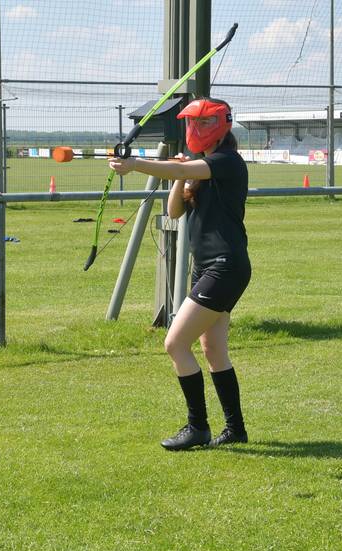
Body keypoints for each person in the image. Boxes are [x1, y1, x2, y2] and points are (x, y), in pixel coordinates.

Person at [108, 97, 252, 450]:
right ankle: (235, 429)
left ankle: (197, 427)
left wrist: (136, 164)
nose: (195, 130)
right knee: (212, 347)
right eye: (192, 124)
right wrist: (176, 174)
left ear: (222, 126)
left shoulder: (226, 162)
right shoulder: (199, 168)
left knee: (174, 342)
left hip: (225, 265)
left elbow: (188, 172)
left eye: (204, 124)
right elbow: (175, 211)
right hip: (209, 266)